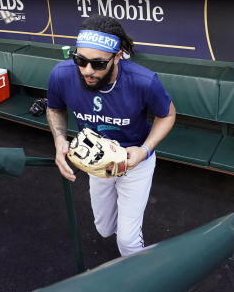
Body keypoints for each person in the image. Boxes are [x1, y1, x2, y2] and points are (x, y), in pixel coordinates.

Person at [46, 15, 176, 256]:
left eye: (98, 64)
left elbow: (167, 115)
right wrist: (59, 139)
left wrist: (145, 150)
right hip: (96, 158)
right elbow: (54, 107)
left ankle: (145, 273)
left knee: (127, 242)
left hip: (134, 160)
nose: (87, 70)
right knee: (104, 228)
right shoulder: (62, 74)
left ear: (117, 57)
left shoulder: (144, 81)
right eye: (80, 60)